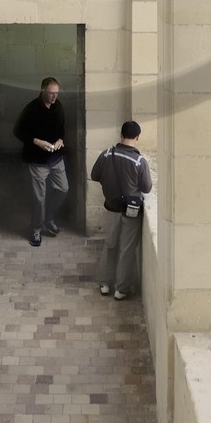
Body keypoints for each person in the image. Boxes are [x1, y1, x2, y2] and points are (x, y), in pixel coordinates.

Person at [91, 120, 153, 299]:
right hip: (131, 211)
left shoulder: (106, 154)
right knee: (126, 248)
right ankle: (121, 288)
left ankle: (104, 283)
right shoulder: (140, 161)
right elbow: (147, 187)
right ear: (138, 138)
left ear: (121, 135)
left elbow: (95, 175)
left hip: (112, 207)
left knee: (110, 244)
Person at [13, 76, 69, 247]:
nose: (54, 97)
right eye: (51, 93)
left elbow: (61, 128)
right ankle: (36, 228)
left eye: (56, 93)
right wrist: (37, 141)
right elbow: (18, 131)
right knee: (39, 198)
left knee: (63, 189)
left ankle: (48, 217)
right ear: (43, 91)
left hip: (56, 158)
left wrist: (60, 140)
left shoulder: (58, 106)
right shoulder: (31, 109)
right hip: (37, 161)